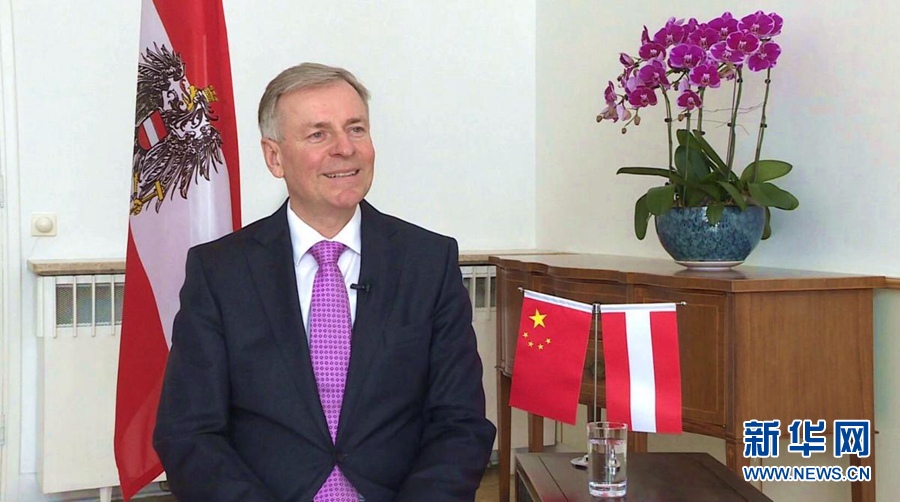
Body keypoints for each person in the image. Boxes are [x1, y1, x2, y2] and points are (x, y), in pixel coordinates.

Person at [152, 62, 496, 501]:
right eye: (318, 134)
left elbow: (460, 424)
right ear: (274, 157)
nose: (345, 148)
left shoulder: (428, 262)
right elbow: (189, 433)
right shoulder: (219, 272)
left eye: (356, 129)